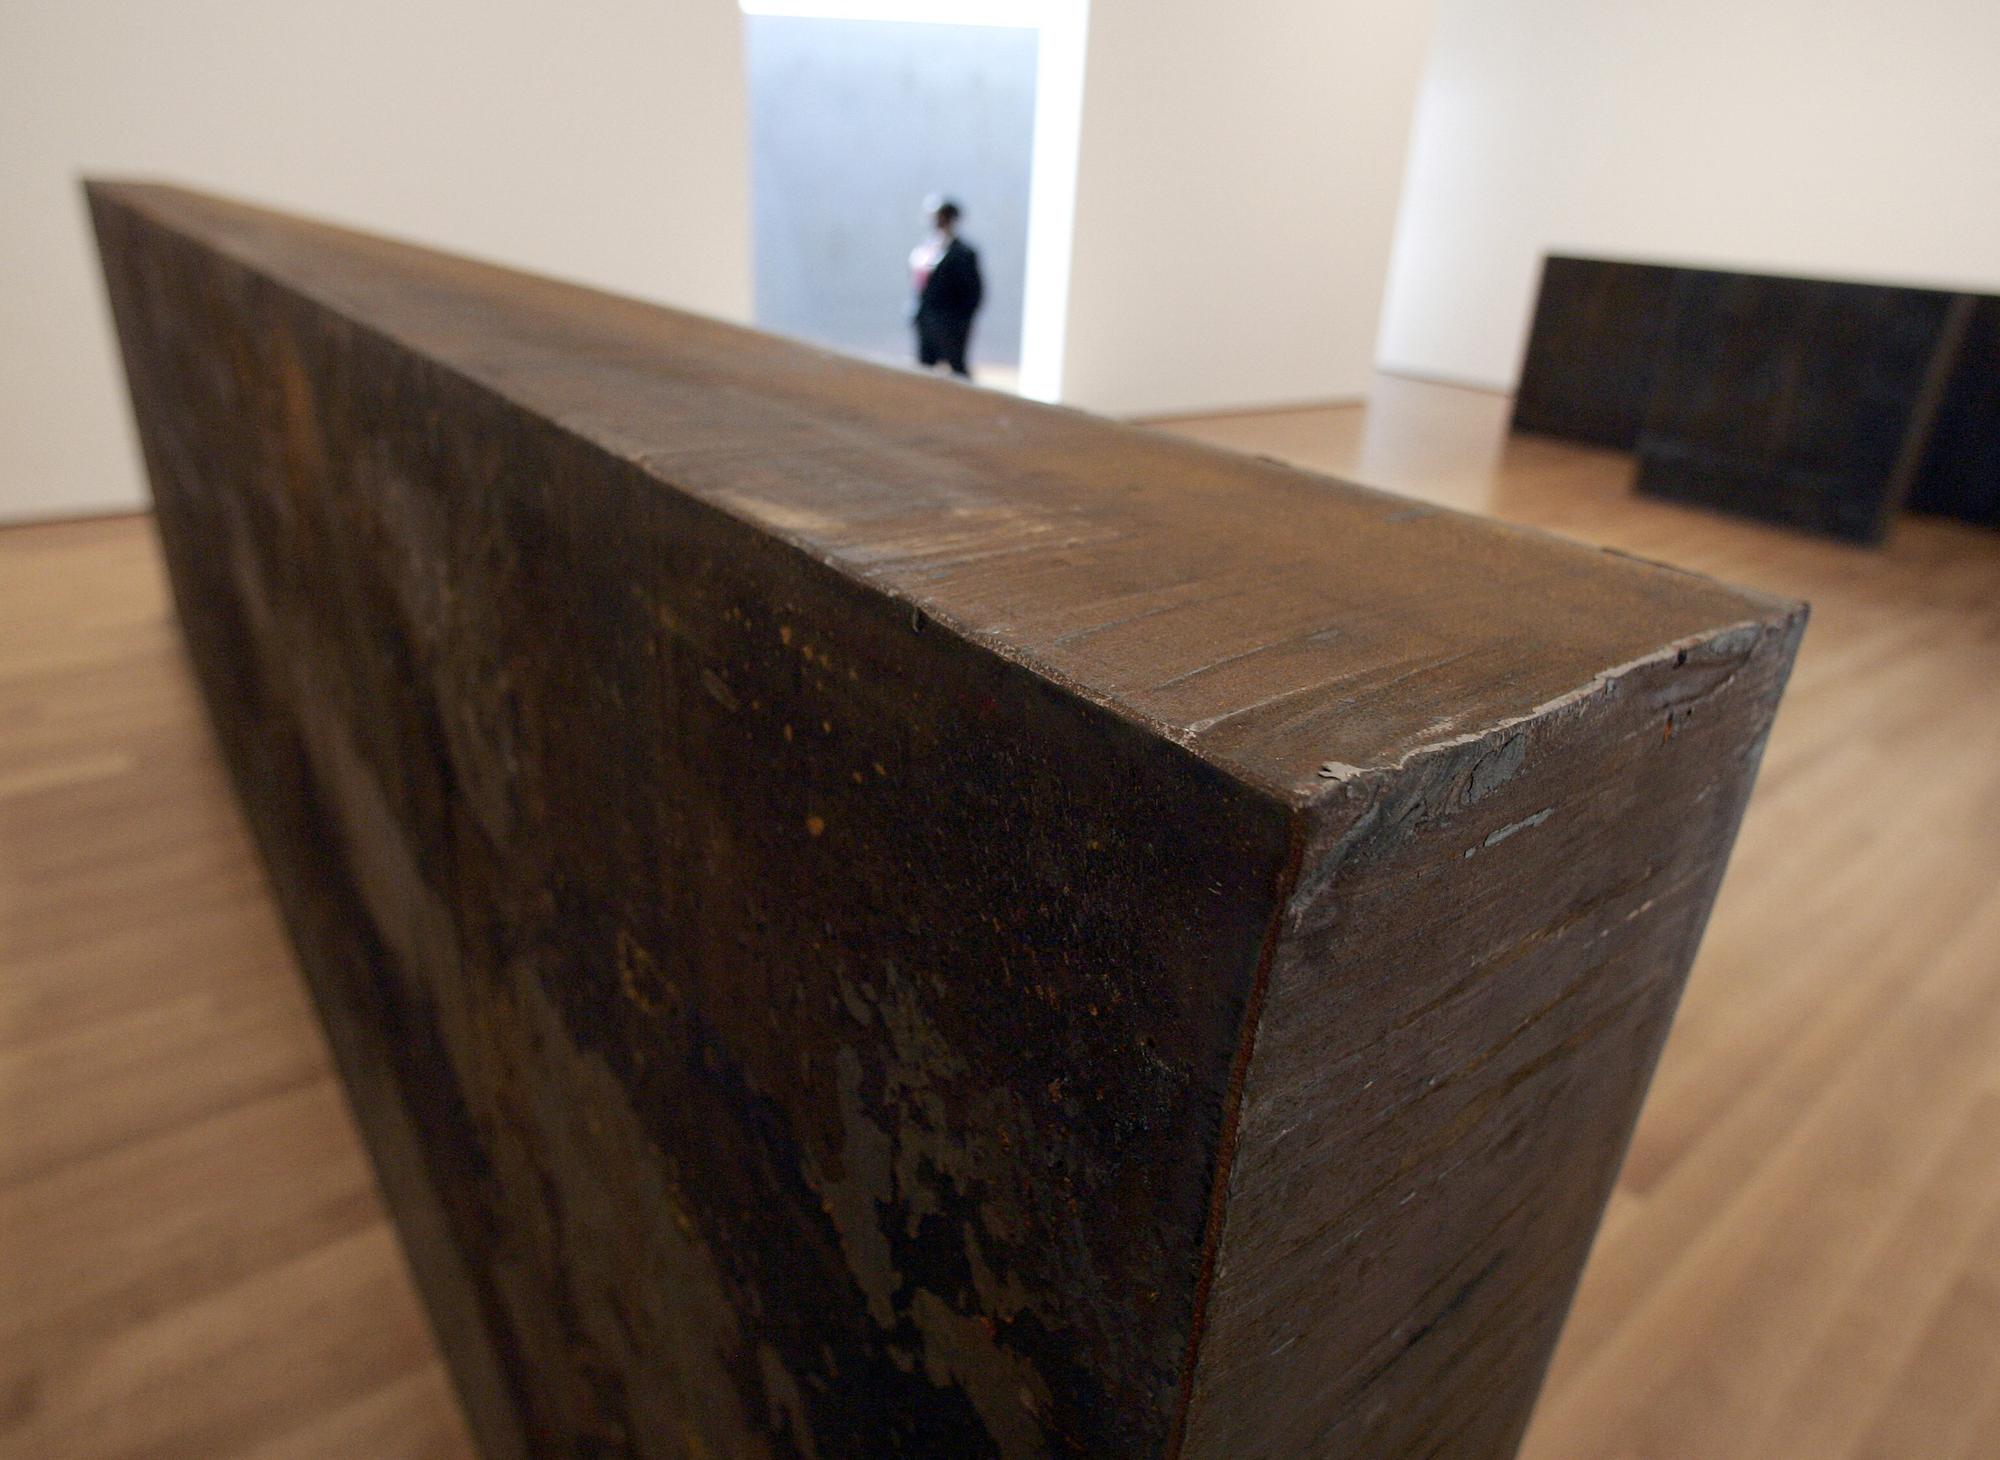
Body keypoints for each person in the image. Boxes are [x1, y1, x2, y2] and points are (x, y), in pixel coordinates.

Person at [909, 196, 983, 379]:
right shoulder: (925, 249)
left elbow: (973, 292)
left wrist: (958, 320)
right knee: (924, 369)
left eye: (942, 217)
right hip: (926, 319)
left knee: (956, 367)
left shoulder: (963, 253)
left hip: (950, 323)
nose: (937, 222)